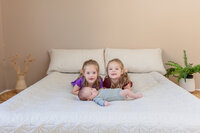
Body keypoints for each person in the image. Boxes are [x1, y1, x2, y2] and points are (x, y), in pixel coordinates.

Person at [78, 87, 143, 106]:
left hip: (118, 91)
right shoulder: (96, 98)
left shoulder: (99, 91)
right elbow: (100, 102)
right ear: (89, 99)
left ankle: (127, 96)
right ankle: (136, 96)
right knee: (126, 91)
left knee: (126, 91)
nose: (94, 91)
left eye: (92, 89)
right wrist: (104, 103)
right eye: (91, 93)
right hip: (118, 95)